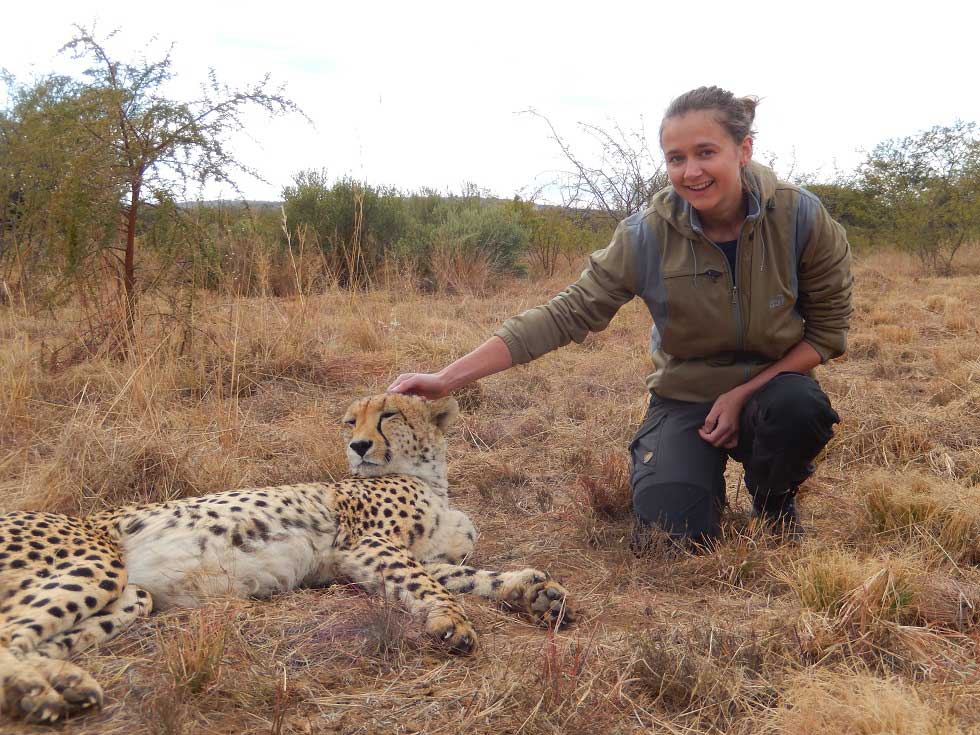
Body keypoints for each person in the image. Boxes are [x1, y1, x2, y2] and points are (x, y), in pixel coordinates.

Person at [389, 86, 852, 547]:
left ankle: (773, 499)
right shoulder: (646, 234)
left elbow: (827, 334)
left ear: (743, 149)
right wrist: (447, 379)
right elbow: (566, 313)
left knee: (797, 408)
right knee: (672, 538)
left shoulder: (799, 216)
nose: (691, 172)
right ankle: (688, 476)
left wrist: (741, 395)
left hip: (771, 389)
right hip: (684, 398)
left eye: (706, 152)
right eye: (675, 158)